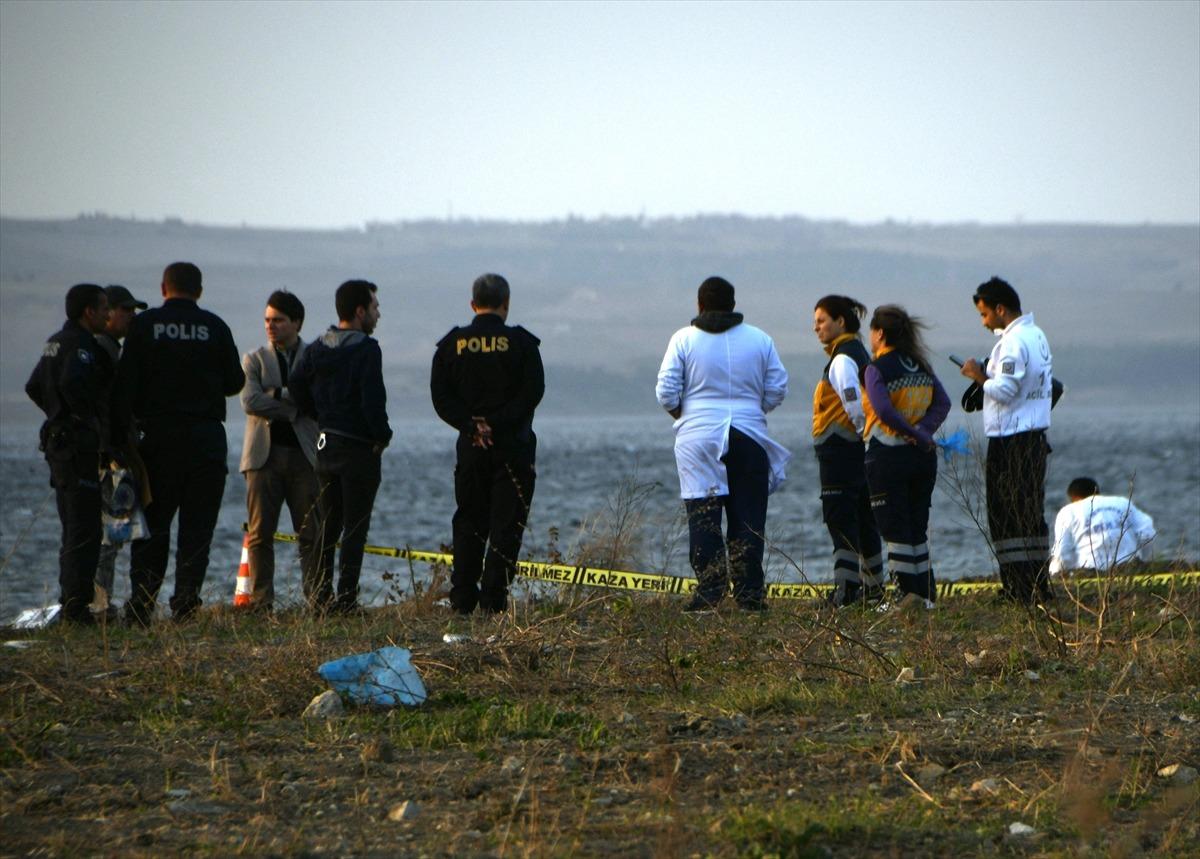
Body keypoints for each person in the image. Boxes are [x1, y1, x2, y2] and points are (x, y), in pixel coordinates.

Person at [114, 262, 245, 625]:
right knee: (197, 529)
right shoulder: (215, 326)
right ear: (199, 291)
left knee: (153, 527)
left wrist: (122, 439)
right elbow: (234, 382)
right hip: (205, 439)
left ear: (163, 288)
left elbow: (125, 385)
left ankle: (141, 605)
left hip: (157, 440)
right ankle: (185, 604)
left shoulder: (144, 326)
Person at [656, 276, 790, 612]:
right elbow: (777, 388)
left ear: (699, 305)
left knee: (703, 514)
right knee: (748, 517)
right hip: (749, 433)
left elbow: (666, 392)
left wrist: (687, 415)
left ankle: (709, 593)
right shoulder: (760, 339)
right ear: (733, 304)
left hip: (698, 437)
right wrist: (751, 411)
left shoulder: (683, 338)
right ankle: (749, 595)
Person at [430, 273, 544, 616]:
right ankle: (493, 601)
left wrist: (472, 426)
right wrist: (497, 423)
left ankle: (462, 599)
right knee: (507, 524)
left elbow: (441, 399)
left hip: (471, 448)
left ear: (472, 304)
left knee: (468, 521)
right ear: (506, 304)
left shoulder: (451, 345)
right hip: (513, 446)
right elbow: (532, 393)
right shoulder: (522, 344)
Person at [290, 280, 391, 614]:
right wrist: (382, 435)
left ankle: (320, 597)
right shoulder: (367, 349)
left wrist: (320, 414)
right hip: (359, 448)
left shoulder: (317, 347)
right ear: (360, 311)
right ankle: (347, 599)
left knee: (328, 524)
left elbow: (296, 385)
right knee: (355, 527)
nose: (378, 313)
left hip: (326, 444)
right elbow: (373, 399)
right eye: (375, 307)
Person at [959, 277, 1054, 604]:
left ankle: (1018, 588)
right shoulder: (1037, 335)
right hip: (1033, 436)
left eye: (984, 314)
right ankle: (1038, 584)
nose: (984, 322)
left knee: (1006, 514)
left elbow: (1006, 390)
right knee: (1030, 512)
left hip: (1012, 439)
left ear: (1000, 309)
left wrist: (978, 375)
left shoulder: (1012, 342)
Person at [25, 284, 112, 626]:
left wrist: (55, 415)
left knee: (72, 526)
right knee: (84, 529)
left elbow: (34, 386)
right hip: (76, 449)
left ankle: (71, 603)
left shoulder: (55, 341)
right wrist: (84, 420)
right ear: (89, 312)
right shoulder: (81, 345)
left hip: (59, 447)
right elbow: (74, 383)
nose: (108, 314)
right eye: (104, 308)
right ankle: (76, 609)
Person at [861, 305, 951, 606]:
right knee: (917, 528)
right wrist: (923, 431)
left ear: (880, 333)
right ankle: (926, 596)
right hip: (922, 457)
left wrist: (909, 431)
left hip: (887, 456)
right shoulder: (920, 365)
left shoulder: (876, 368)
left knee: (894, 530)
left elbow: (883, 410)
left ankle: (905, 596)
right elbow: (943, 403)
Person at [239, 290, 321, 611]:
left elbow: (317, 399)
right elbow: (250, 401)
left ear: (296, 323)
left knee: (311, 532)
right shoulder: (254, 359)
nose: (271, 326)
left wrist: (273, 395)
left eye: (279, 320)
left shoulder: (314, 357)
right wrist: (290, 402)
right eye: (267, 320)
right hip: (263, 458)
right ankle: (262, 601)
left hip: (304, 456)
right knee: (260, 533)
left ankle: (316, 599)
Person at [811, 295, 884, 607]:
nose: (816, 328)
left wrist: (862, 433)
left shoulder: (841, 360)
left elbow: (854, 404)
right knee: (865, 516)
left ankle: (846, 590)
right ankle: (873, 587)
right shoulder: (859, 352)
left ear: (840, 321)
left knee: (840, 517)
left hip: (841, 450)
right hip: (857, 449)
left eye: (821, 321)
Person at [92, 284, 149, 620]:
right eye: (125, 310)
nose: (131, 316)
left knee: (111, 534)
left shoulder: (112, 349)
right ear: (106, 312)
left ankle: (98, 601)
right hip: (109, 456)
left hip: (113, 451)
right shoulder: (102, 350)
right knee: (108, 534)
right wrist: (108, 443)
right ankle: (98, 604)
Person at [1049, 477, 1156, 574]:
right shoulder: (1122, 502)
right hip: (1130, 568)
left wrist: (1056, 574)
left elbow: (1062, 552)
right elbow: (1147, 533)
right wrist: (1143, 559)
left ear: (1073, 498)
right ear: (1097, 492)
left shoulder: (1068, 511)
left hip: (1091, 573)